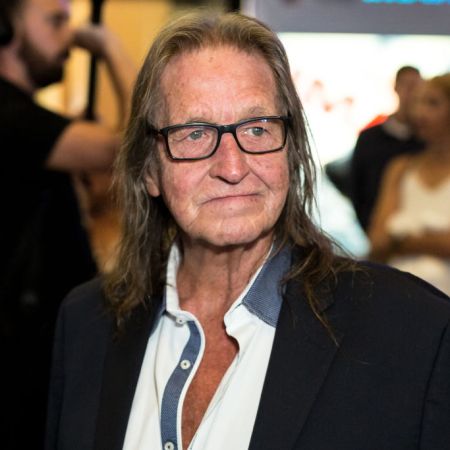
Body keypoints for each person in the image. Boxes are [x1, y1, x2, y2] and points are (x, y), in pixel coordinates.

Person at [46, 12, 450, 450]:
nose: (233, 167)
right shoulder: (86, 325)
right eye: (194, 133)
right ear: (149, 170)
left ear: (291, 151)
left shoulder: (411, 332)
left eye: (257, 128)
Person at [0, 0, 136, 448]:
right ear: (6, 28)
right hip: (21, 360)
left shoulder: (25, 118)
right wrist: (110, 47)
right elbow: (138, 146)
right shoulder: (13, 118)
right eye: (55, 21)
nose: (71, 38)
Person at [368, 73, 450, 295]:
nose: (420, 113)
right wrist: (434, 241)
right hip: (401, 295)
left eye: (432, 103)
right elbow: (378, 242)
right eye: (418, 103)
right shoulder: (400, 168)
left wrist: (401, 241)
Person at [350, 65, 424, 231]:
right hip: (378, 230)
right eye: (407, 85)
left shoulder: (426, 141)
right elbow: (357, 188)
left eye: (417, 86)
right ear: (396, 87)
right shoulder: (369, 138)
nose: (412, 92)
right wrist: (372, 228)